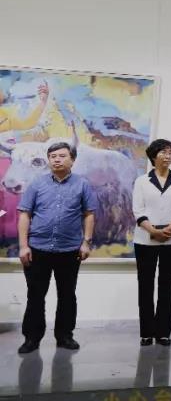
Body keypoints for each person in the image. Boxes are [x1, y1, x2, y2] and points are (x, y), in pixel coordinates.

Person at [16, 142, 97, 354]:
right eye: (52, 156)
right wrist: (23, 246)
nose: (57, 159)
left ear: (72, 159)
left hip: (69, 251)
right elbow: (25, 214)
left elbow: (89, 214)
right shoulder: (37, 184)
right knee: (35, 296)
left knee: (67, 295)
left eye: (62, 156)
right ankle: (31, 339)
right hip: (37, 250)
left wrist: (86, 242)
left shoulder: (82, 185)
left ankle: (65, 336)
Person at [132, 139, 171, 347]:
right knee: (145, 286)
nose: (168, 156)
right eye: (163, 152)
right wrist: (153, 231)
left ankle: (163, 332)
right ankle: (146, 333)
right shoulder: (141, 181)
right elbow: (138, 210)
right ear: (153, 155)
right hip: (145, 240)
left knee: (167, 285)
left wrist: (170, 229)